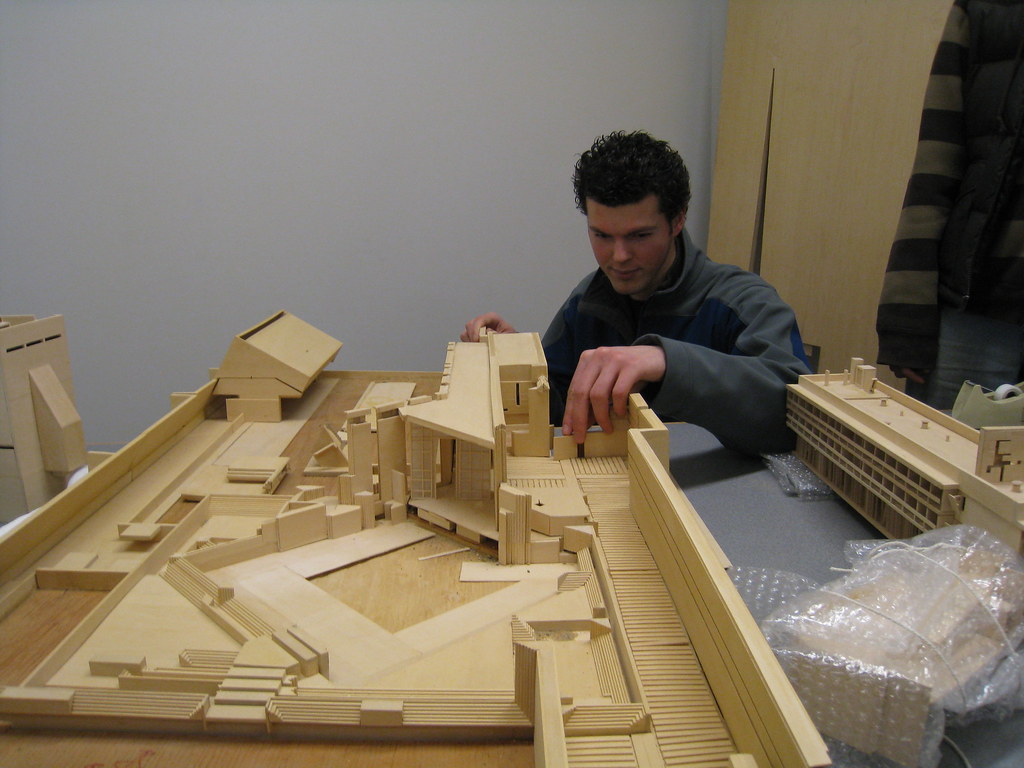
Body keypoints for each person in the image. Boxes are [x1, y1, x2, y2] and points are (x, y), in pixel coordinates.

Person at [462, 130, 811, 456]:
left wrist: (667, 362)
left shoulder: (743, 302)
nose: (619, 257)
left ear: (677, 221)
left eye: (639, 236)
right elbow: (557, 406)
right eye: (601, 236)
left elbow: (796, 418)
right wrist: (515, 363)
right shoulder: (587, 302)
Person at [876, 0, 1024, 411]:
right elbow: (935, 169)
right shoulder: (987, 11)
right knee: (943, 463)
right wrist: (907, 320)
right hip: (983, 309)